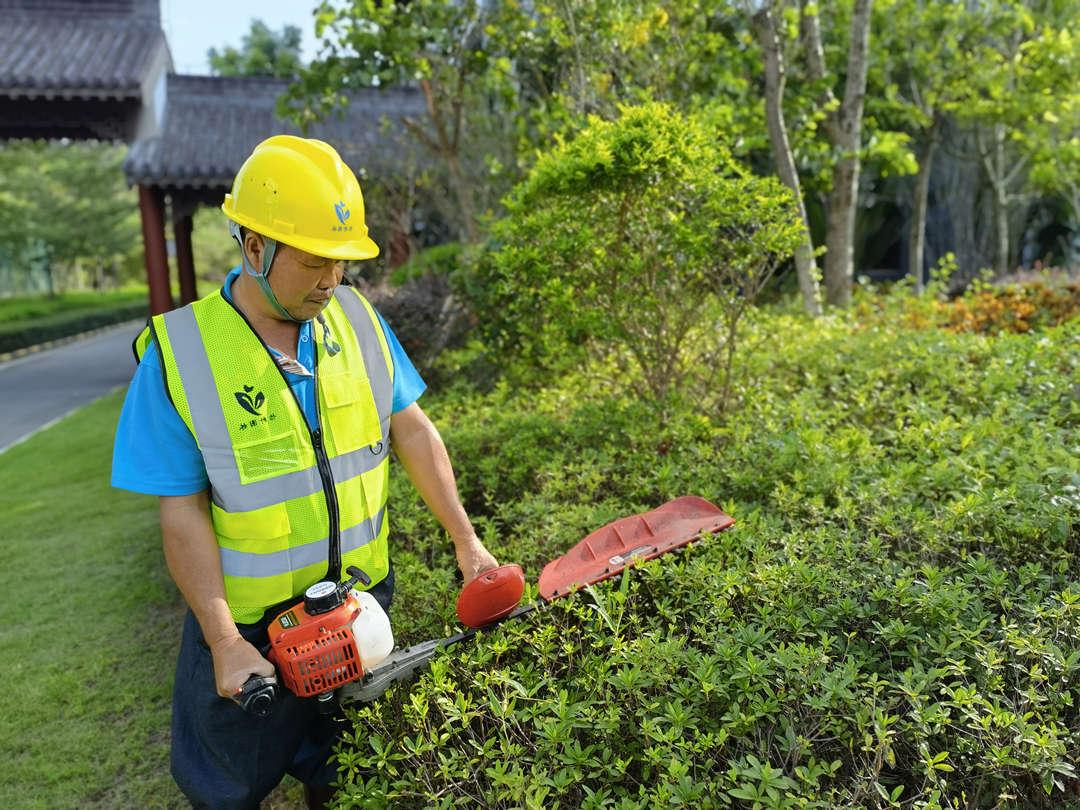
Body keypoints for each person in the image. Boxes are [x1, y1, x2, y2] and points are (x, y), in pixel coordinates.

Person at [111, 135, 498, 809]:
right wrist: (223, 639)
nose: (331, 281)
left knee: (348, 772)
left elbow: (412, 429)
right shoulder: (180, 355)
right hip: (252, 634)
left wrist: (466, 541)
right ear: (254, 247)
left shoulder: (357, 319)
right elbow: (181, 510)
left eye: (341, 264)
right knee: (228, 787)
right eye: (315, 263)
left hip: (360, 607)